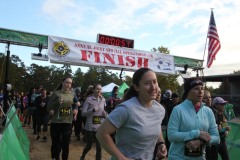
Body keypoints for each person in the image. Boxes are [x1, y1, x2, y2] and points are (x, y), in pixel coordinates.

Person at [96, 68, 167, 160]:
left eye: (154, 82)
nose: (153, 87)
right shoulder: (126, 109)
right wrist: (122, 158)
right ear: (137, 87)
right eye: (147, 83)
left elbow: (156, 125)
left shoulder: (160, 109)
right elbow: (101, 133)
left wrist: (161, 143)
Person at [167, 77, 220, 160]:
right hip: (178, 157)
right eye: (196, 89)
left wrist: (201, 142)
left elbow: (216, 138)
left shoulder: (208, 111)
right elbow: (171, 135)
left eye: (202, 88)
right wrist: (196, 133)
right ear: (188, 92)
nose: (200, 92)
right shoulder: (178, 109)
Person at [47, 77, 79, 160]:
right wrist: (57, 102)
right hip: (56, 122)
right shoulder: (56, 93)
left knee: (65, 144)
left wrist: (76, 109)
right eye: (67, 82)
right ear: (62, 82)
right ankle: (55, 157)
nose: (68, 84)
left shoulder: (72, 94)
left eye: (70, 83)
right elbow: (48, 107)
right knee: (56, 143)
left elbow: (76, 103)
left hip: (67, 122)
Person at [80, 84, 107, 160]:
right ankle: (82, 156)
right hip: (90, 127)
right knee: (89, 146)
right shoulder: (89, 99)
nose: (99, 91)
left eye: (100, 89)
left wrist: (105, 114)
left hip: (99, 127)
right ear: (93, 90)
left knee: (99, 148)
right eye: (97, 89)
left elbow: (102, 110)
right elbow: (83, 113)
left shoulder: (103, 99)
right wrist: (93, 110)